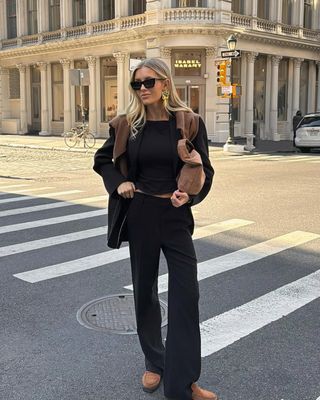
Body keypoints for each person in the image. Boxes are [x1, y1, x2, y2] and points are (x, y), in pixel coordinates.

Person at [93, 58, 216, 400]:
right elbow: (102, 161)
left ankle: (185, 381)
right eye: (137, 84)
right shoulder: (126, 124)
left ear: (165, 84)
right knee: (145, 291)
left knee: (186, 295)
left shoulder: (188, 122)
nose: (143, 89)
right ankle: (154, 361)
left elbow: (205, 169)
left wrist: (189, 197)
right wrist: (119, 182)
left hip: (175, 216)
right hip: (142, 213)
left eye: (149, 82)